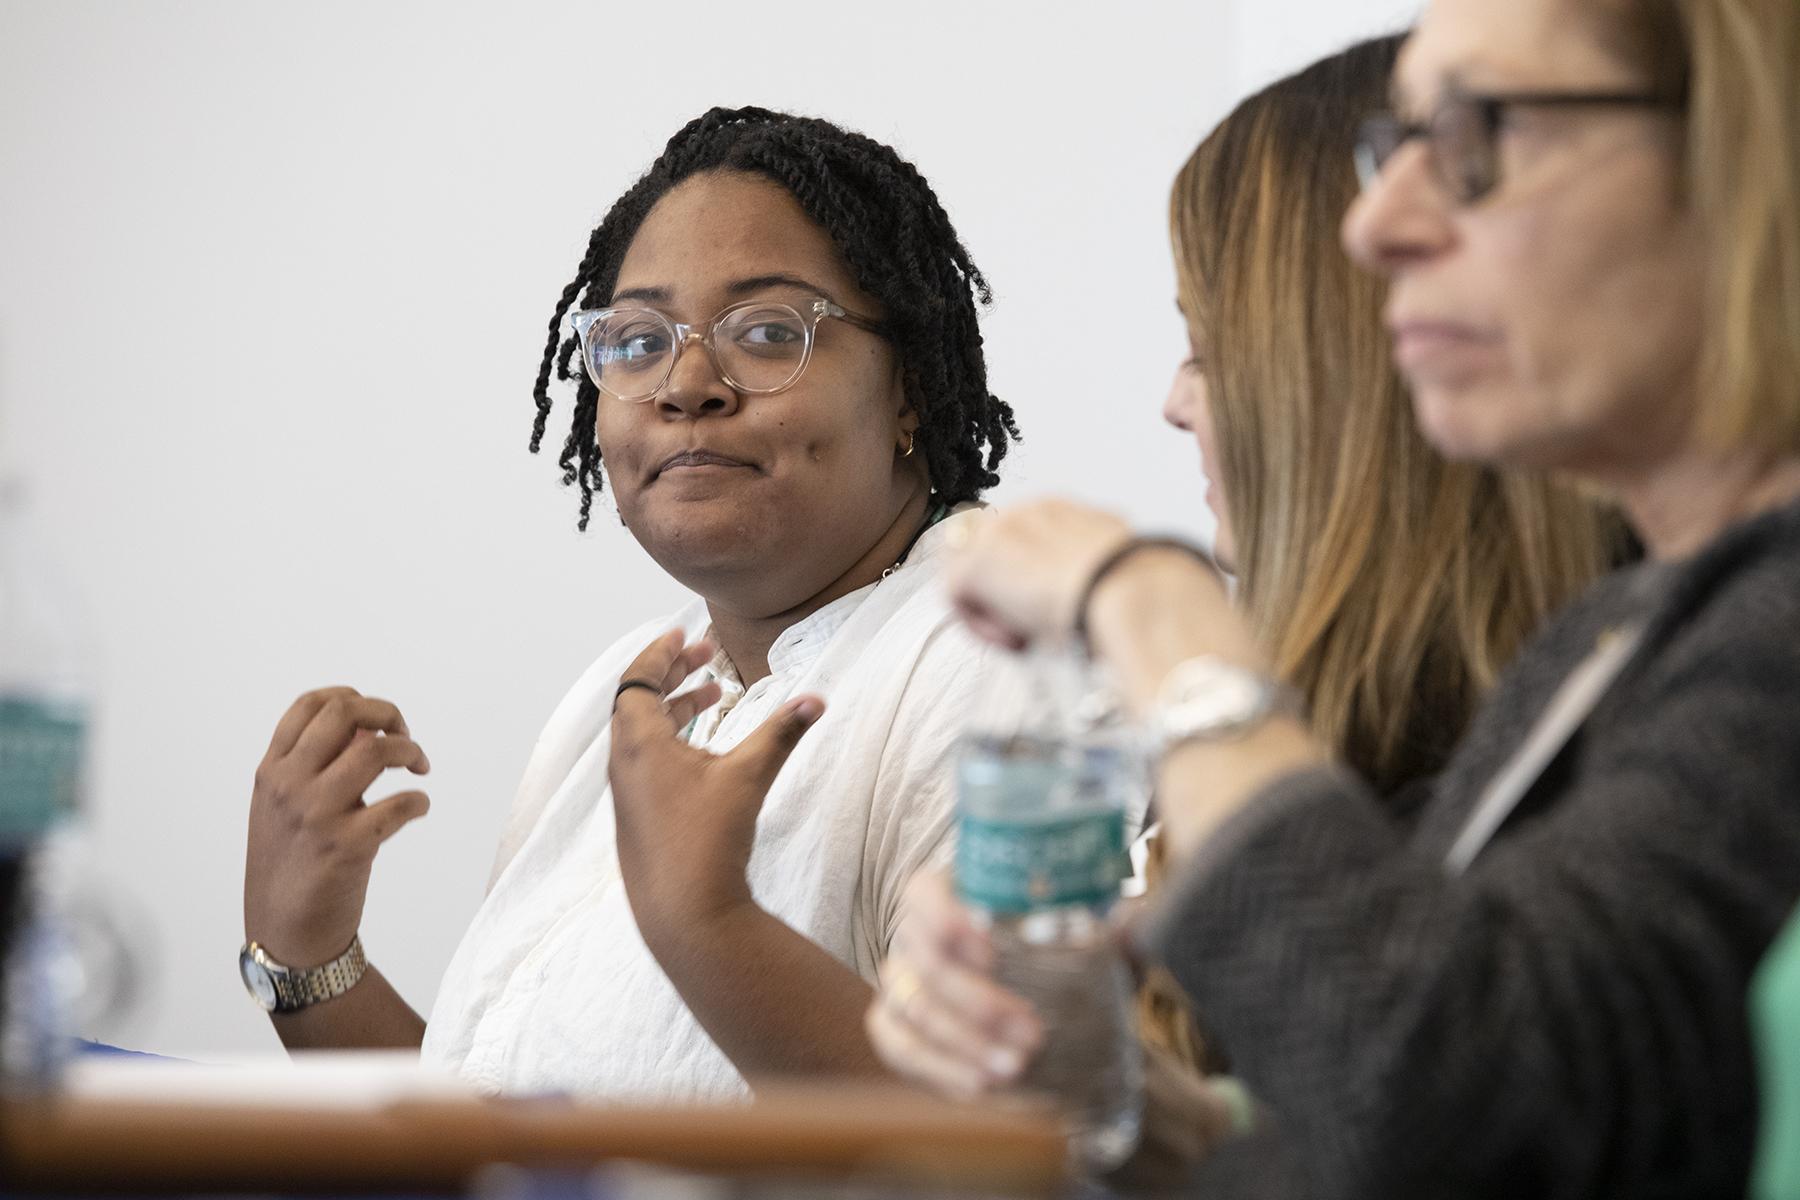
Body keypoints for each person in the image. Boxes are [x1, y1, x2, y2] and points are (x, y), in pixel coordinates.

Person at [877, 0, 1800, 1195]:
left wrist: (1153, 604)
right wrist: (1135, 1117)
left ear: (1748, 148)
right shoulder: (1613, 641)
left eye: (1477, 131)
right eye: (1392, 149)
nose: (1375, 225)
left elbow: (1455, 1106)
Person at [238, 107, 1021, 1099]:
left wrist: (708, 927)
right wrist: (308, 960)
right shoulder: (624, 690)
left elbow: (1005, 1144)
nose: (687, 384)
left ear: (907, 386)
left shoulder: (997, 659)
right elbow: (512, 1143)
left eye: (769, 331)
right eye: (639, 342)